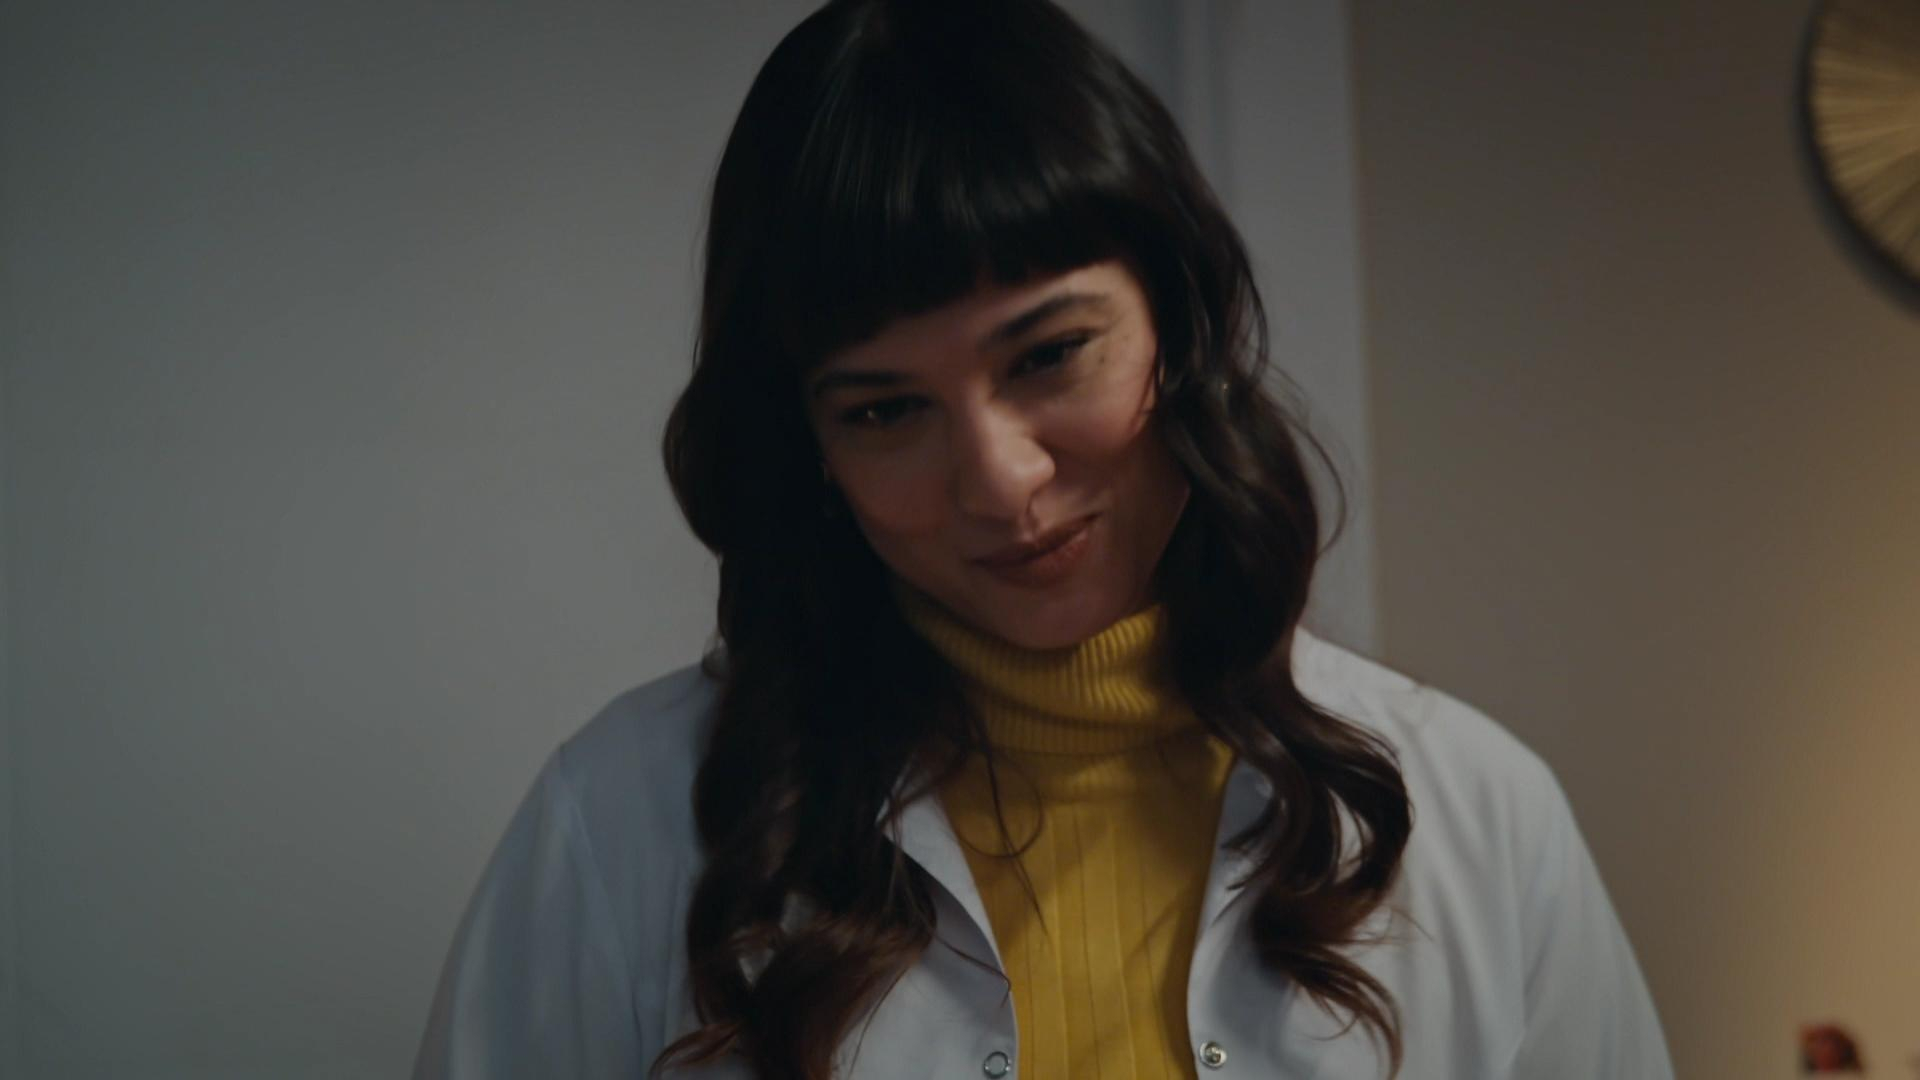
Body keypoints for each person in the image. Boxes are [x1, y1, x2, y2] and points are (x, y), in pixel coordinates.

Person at [412, 1, 1674, 1077]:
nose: (1001, 481)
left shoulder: (1475, 814)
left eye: (1050, 354)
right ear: (809, 448)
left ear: (1178, 320)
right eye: (885, 410)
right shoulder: (620, 829)